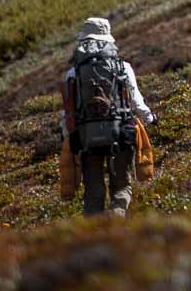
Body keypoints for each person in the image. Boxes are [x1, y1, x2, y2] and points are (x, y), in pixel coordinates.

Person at [60, 17, 156, 217]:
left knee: (93, 194)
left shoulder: (72, 73)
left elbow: (67, 111)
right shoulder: (123, 66)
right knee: (122, 188)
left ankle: (94, 235)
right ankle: (115, 220)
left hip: (86, 138)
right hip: (121, 134)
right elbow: (136, 101)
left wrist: (68, 135)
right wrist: (150, 119)